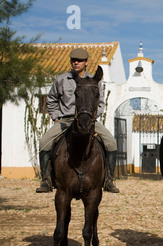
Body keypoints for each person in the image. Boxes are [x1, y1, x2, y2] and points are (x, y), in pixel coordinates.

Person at [36, 48, 120, 193]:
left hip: (88, 120)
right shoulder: (61, 79)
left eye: (80, 60)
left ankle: (108, 180)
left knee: (111, 143)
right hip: (66, 120)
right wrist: (56, 117)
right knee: (44, 142)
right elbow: (51, 100)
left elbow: (100, 103)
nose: (76, 63)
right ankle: (46, 180)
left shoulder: (94, 81)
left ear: (86, 62)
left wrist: (92, 118)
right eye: (74, 60)